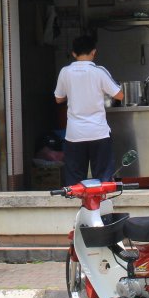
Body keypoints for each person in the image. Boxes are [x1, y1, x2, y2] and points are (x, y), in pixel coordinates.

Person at [54, 34, 124, 185]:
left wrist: (73, 93)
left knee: (74, 182)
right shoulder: (99, 71)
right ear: (94, 52)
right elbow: (120, 95)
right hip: (98, 133)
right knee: (103, 179)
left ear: (73, 53)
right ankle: (102, 207)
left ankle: (77, 207)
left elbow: (58, 98)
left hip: (74, 135)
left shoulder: (65, 72)